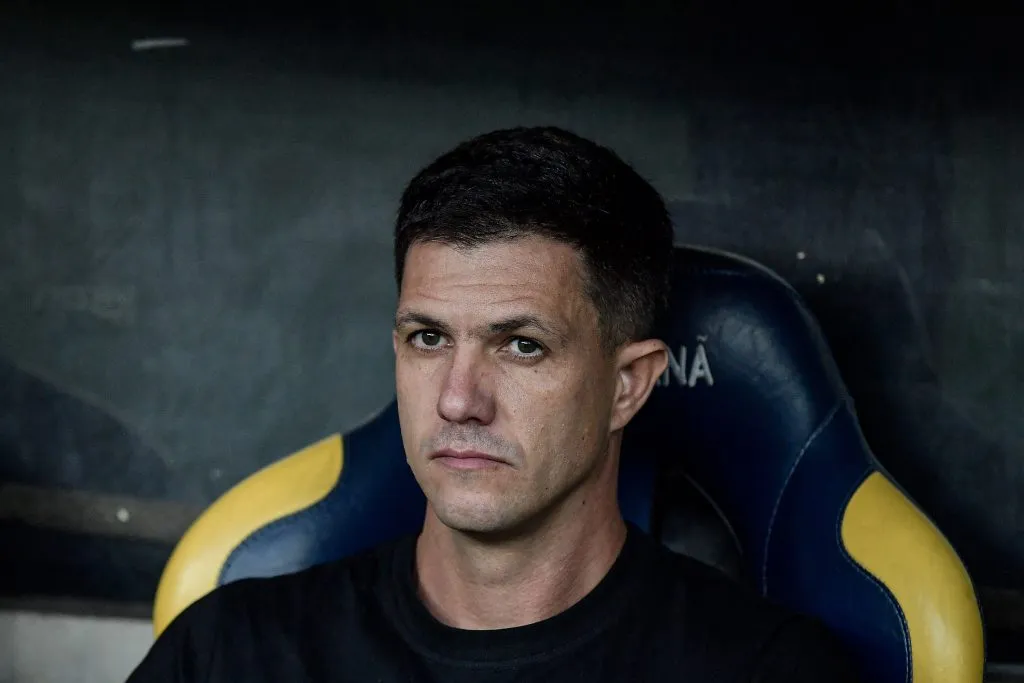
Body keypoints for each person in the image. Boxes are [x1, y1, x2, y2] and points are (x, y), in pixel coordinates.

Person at [127, 126, 858, 682]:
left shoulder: (768, 670)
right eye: (427, 337)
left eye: (521, 346)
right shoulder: (232, 652)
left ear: (627, 384)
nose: (457, 398)